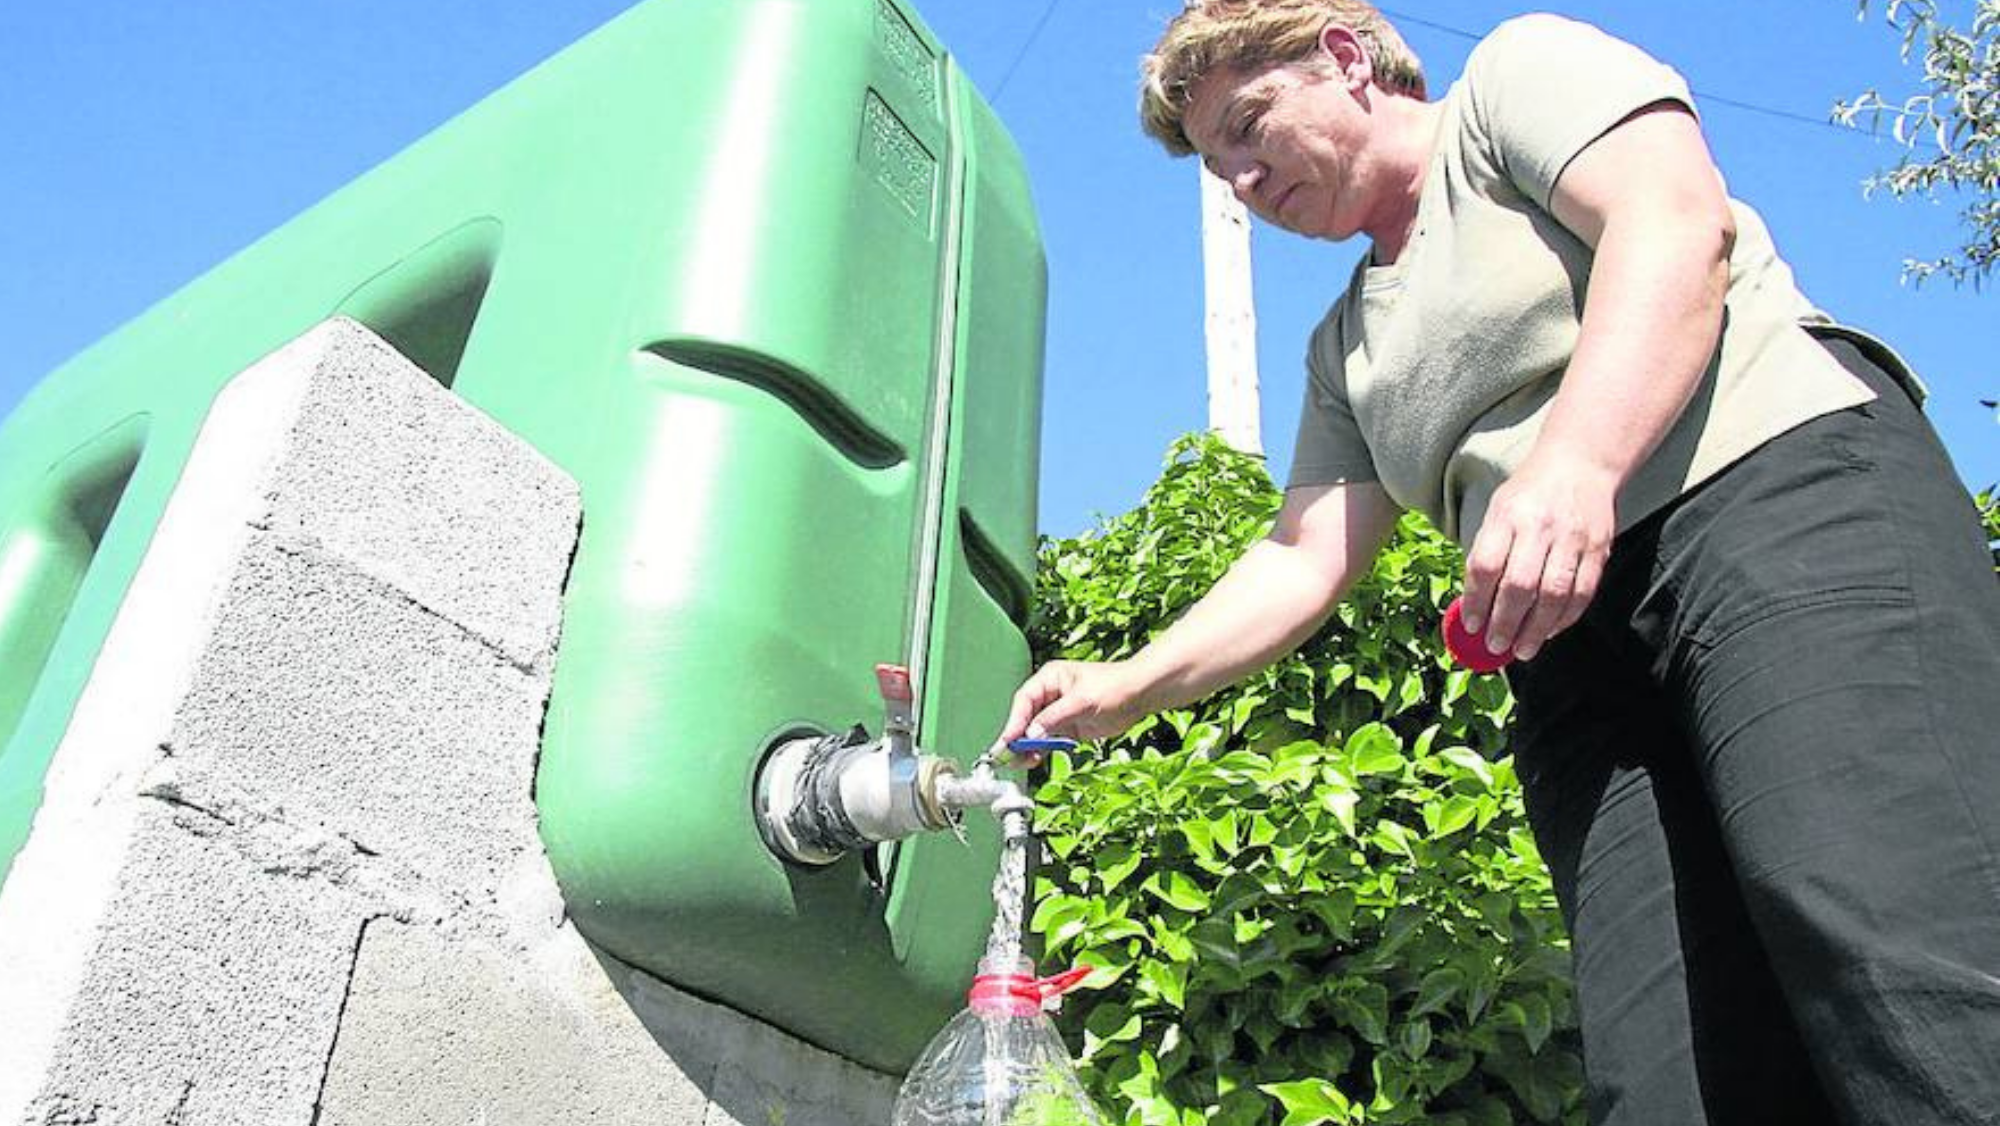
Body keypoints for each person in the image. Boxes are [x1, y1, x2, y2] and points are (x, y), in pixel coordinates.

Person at [993, 2, 2000, 1122]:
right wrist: (1122, 688)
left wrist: (1575, 461)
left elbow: (1672, 222)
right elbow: (1300, 555)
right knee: (1664, 1066)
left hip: (1772, 502)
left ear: (1339, 58)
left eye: (1246, 123)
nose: (1236, 178)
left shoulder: (1511, 85)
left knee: (1886, 947)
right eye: (1212, 161)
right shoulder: (1345, 349)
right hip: (1576, 659)